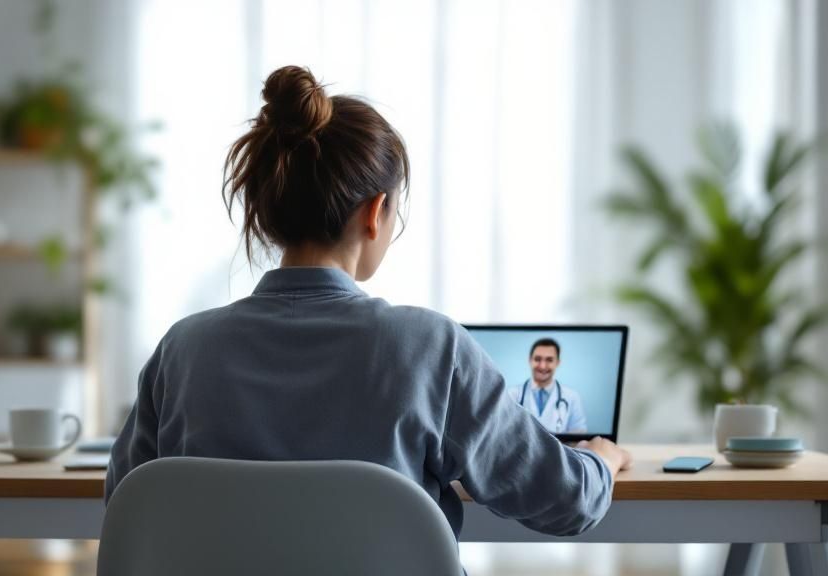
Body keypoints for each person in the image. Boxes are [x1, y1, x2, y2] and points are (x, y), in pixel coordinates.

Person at [106, 65, 632, 538]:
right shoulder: (431, 348)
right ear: (375, 212)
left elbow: (127, 507)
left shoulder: (183, 351)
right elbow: (566, 501)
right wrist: (601, 464)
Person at [508, 338, 588, 433]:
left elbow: (579, 435)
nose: (542, 366)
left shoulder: (572, 397)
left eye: (549, 360)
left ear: (557, 362)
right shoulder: (512, 395)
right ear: (530, 360)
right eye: (537, 359)